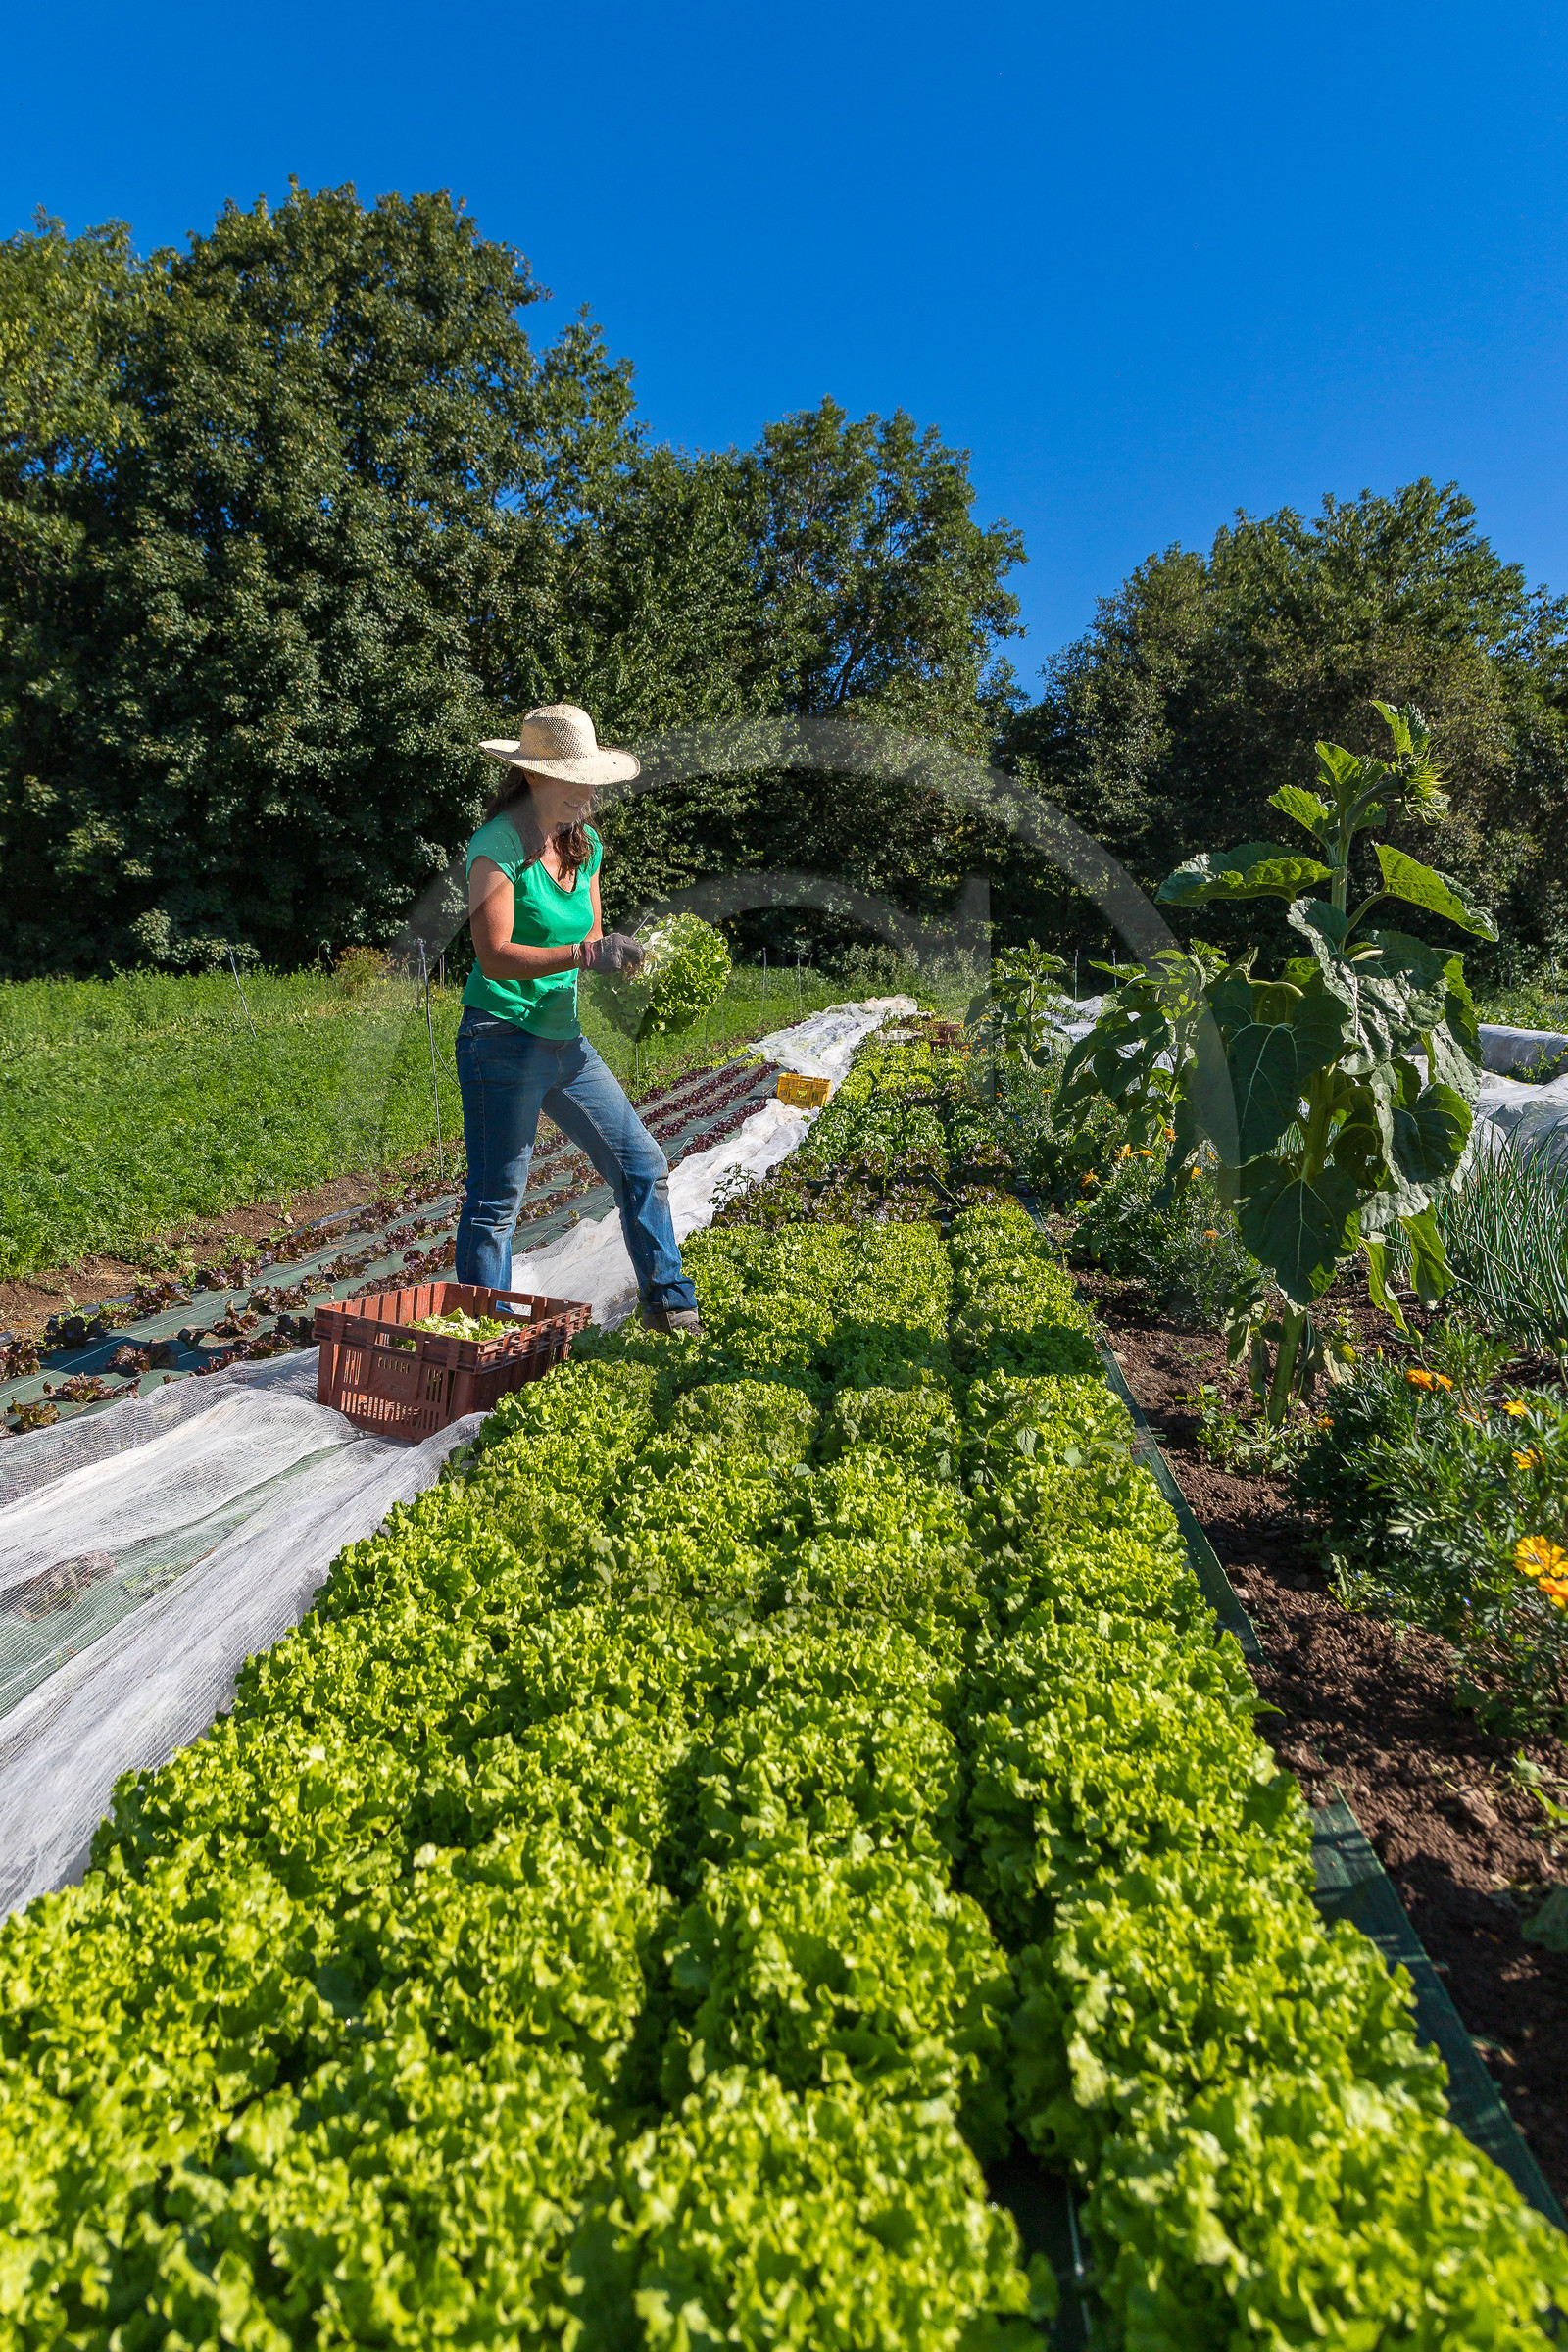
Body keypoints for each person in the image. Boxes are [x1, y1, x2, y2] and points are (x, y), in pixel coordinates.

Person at [453, 703, 702, 1333]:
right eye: (574, 777)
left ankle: (670, 1305)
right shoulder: (497, 847)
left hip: (565, 1042)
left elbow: (590, 935)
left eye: (592, 778)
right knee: (496, 1205)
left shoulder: (584, 844)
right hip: (500, 1038)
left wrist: (629, 964)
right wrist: (586, 953)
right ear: (534, 776)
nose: (588, 792)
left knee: (642, 1164)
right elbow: (497, 954)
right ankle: (492, 1341)